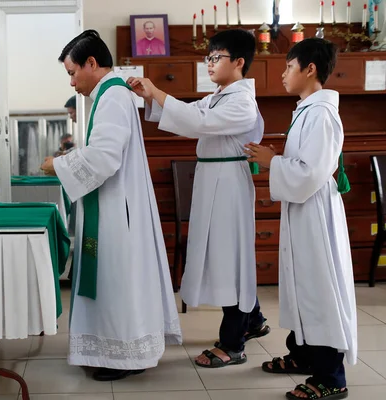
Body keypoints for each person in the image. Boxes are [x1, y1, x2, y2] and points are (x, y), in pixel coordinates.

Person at [40, 29, 182, 381]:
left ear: (92, 63)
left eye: (73, 73)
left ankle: (123, 356)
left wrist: (57, 164)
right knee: (116, 282)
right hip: (114, 205)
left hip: (117, 212)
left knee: (117, 281)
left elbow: (104, 158)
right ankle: (112, 351)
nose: (72, 83)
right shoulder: (109, 93)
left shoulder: (113, 96)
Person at [128, 29, 269, 368]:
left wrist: (157, 92)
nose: (209, 64)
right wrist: (151, 98)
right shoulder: (220, 94)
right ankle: (253, 320)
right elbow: (188, 114)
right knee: (224, 256)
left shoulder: (241, 102)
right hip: (213, 181)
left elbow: (196, 121)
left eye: (216, 57)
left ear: (238, 62)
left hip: (228, 186)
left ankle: (233, 343)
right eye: (208, 57)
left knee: (229, 259)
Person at [245, 37, 356, 400]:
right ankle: (303, 354)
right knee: (301, 287)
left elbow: (310, 173)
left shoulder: (322, 114)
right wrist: (276, 157)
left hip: (316, 213)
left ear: (310, 69)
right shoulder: (307, 109)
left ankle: (331, 376)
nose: (283, 74)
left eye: (288, 67)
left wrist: (271, 161)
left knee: (318, 290)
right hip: (304, 211)